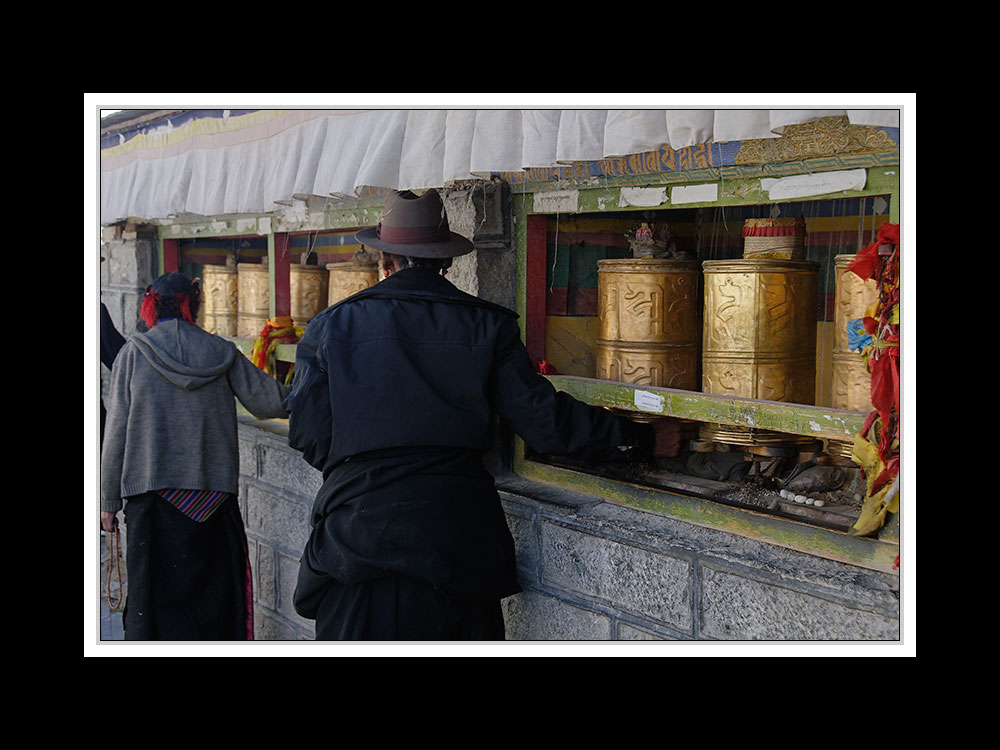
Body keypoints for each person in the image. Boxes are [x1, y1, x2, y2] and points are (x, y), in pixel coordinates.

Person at [284, 189, 689, 641]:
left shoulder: (331, 327)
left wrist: (367, 471)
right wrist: (642, 438)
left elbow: (308, 434)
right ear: (446, 262)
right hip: (459, 539)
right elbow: (545, 422)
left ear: (385, 261)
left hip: (359, 537)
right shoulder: (488, 325)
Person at [100, 272, 290, 640]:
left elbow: (116, 435)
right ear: (194, 304)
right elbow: (271, 402)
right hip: (212, 502)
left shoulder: (133, 356)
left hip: (150, 501)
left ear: (151, 305)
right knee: (214, 601)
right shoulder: (222, 353)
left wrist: (107, 501)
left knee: (151, 603)